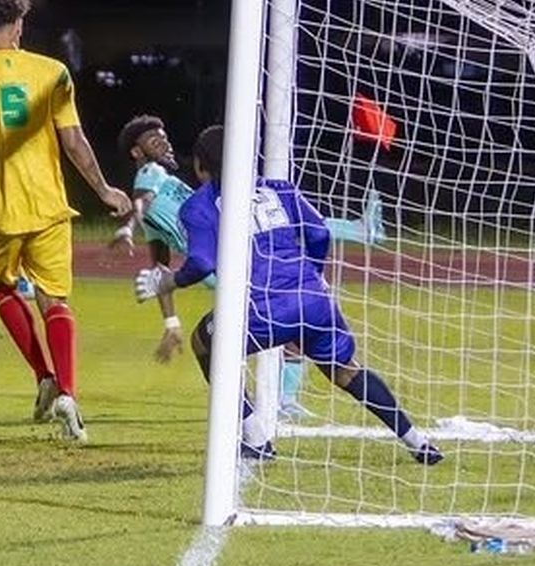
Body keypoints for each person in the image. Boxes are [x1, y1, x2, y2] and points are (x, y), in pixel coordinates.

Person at [133, 125, 442, 465]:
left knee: (204, 344)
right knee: (346, 370)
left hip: (263, 306)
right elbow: (320, 233)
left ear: (202, 167)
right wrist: (314, 274)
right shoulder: (280, 188)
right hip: (314, 299)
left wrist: (168, 282)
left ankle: (256, 439)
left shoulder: (199, 205)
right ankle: (417, 440)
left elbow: (201, 263)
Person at [0, 0, 132, 444]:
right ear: (19, 26)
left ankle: (43, 377)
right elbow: (74, 141)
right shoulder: (54, 72)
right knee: (56, 301)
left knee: (5, 289)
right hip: (49, 205)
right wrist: (105, 189)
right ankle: (67, 391)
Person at [111, 114, 386, 421]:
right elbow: (140, 202)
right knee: (282, 230)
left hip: (221, 258)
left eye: (163, 136)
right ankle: (262, 412)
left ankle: (275, 403)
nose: (163, 142)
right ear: (137, 152)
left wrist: (171, 321)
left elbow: (159, 272)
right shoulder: (149, 175)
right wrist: (126, 227)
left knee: (281, 304)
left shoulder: (171, 184)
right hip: (217, 262)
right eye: (153, 140)